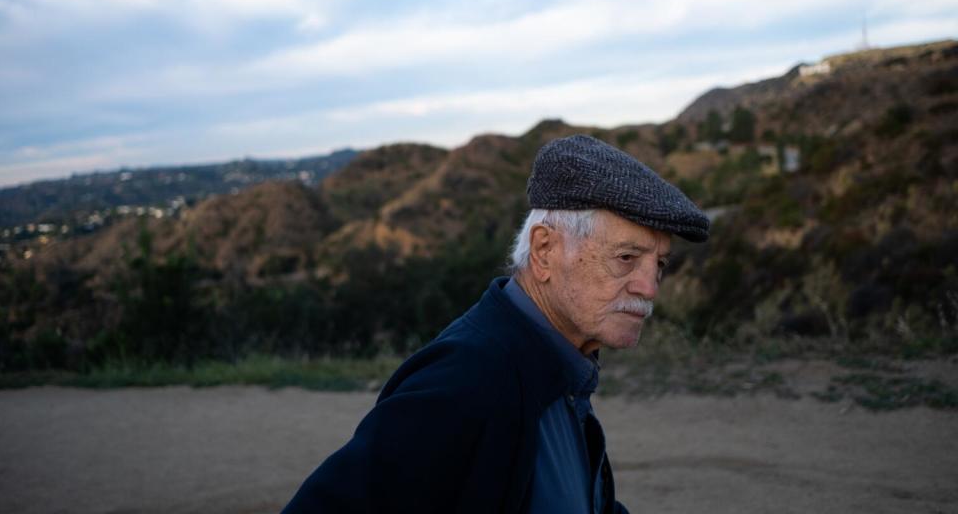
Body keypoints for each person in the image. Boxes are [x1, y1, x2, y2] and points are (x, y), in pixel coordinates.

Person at [282, 134, 710, 514]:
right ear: (544, 251)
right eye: (626, 259)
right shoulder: (467, 381)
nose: (649, 287)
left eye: (659, 265)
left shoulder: (559, 366)